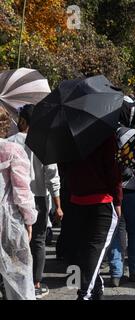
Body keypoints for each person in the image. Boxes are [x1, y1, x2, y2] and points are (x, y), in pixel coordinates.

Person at [7, 104, 63, 299]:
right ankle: (36, 282)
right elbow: (52, 176)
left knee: (15, 242)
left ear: (22, 121)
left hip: (13, 198)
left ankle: (14, 280)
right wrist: (58, 205)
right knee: (38, 242)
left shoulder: (9, 141)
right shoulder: (45, 143)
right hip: (38, 197)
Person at [60, 131, 122, 300]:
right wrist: (117, 200)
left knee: (87, 251)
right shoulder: (105, 136)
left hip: (78, 198)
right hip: (100, 201)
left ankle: (93, 289)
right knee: (93, 251)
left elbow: (63, 168)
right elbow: (113, 170)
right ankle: (86, 293)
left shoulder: (68, 136)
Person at [108, 103, 135, 288]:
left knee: (115, 231)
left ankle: (115, 272)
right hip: (133, 189)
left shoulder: (106, 134)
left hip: (112, 191)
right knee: (134, 231)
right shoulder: (133, 134)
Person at [0, 106, 37, 300]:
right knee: (19, 278)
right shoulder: (11, 150)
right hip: (8, 220)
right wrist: (29, 219)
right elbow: (22, 191)